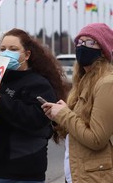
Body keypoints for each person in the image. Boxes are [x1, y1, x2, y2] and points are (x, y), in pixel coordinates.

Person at [0, 28, 67, 183]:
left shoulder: (38, 84)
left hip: (16, 171)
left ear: (27, 55)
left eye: (13, 49)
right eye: (3, 49)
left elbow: (36, 120)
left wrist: (1, 101)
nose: (6, 53)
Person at [42, 23, 113, 183]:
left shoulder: (107, 83)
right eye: (79, 42)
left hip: (96, 177)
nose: (82, 46)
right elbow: (76, 130)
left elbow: (96, 139)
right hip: (76, 174)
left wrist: (65, 114)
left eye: (89, 42)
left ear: (103, 49)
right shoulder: (83, 81)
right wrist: (58, 116)